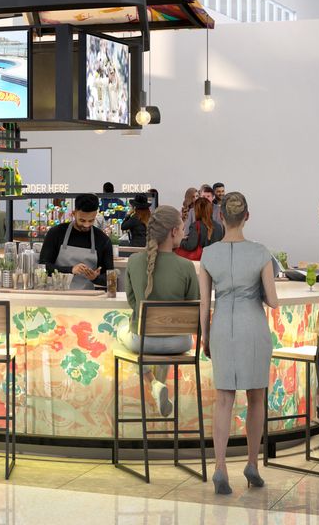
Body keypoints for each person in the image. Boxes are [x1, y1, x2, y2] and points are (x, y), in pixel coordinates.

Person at [198, 192, 278, 495]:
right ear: (247, 216)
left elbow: (205, 303)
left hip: (221, 327)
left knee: (223, 399)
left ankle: (219, 468)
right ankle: (252, 464)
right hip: (252, 326)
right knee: (256, 397)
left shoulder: (208, 254)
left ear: (221, 217)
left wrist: (205, 336)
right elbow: (271, 300)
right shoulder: (260, 252)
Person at [118, 205, 195, 417]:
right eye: (181, 228)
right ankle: (158, 384)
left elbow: (133, 303)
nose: (184, 232)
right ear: (173, 232)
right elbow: (193, 304)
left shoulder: (134, 262)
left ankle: (153, 383)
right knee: (164, 347)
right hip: (180, 344)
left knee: (122, 328)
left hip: (143, 343)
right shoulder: (187, 266)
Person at [38, 194, 116, 290]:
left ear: (96, 215)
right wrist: (70, 270)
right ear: (74, 213)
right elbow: (43, 266)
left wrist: (95, 278)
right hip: (57, 294)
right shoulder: (56, 233)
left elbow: (110, 278)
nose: (86, 225)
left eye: (91, 220)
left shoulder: (103, 240)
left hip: (88, 299)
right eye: (82, 220)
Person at [177, 196, 222, 261]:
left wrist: (181, 241)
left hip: (200, 262)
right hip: (214, 261)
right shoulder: (218, 226)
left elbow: (191, 245)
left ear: (197, 211)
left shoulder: (195, 225)